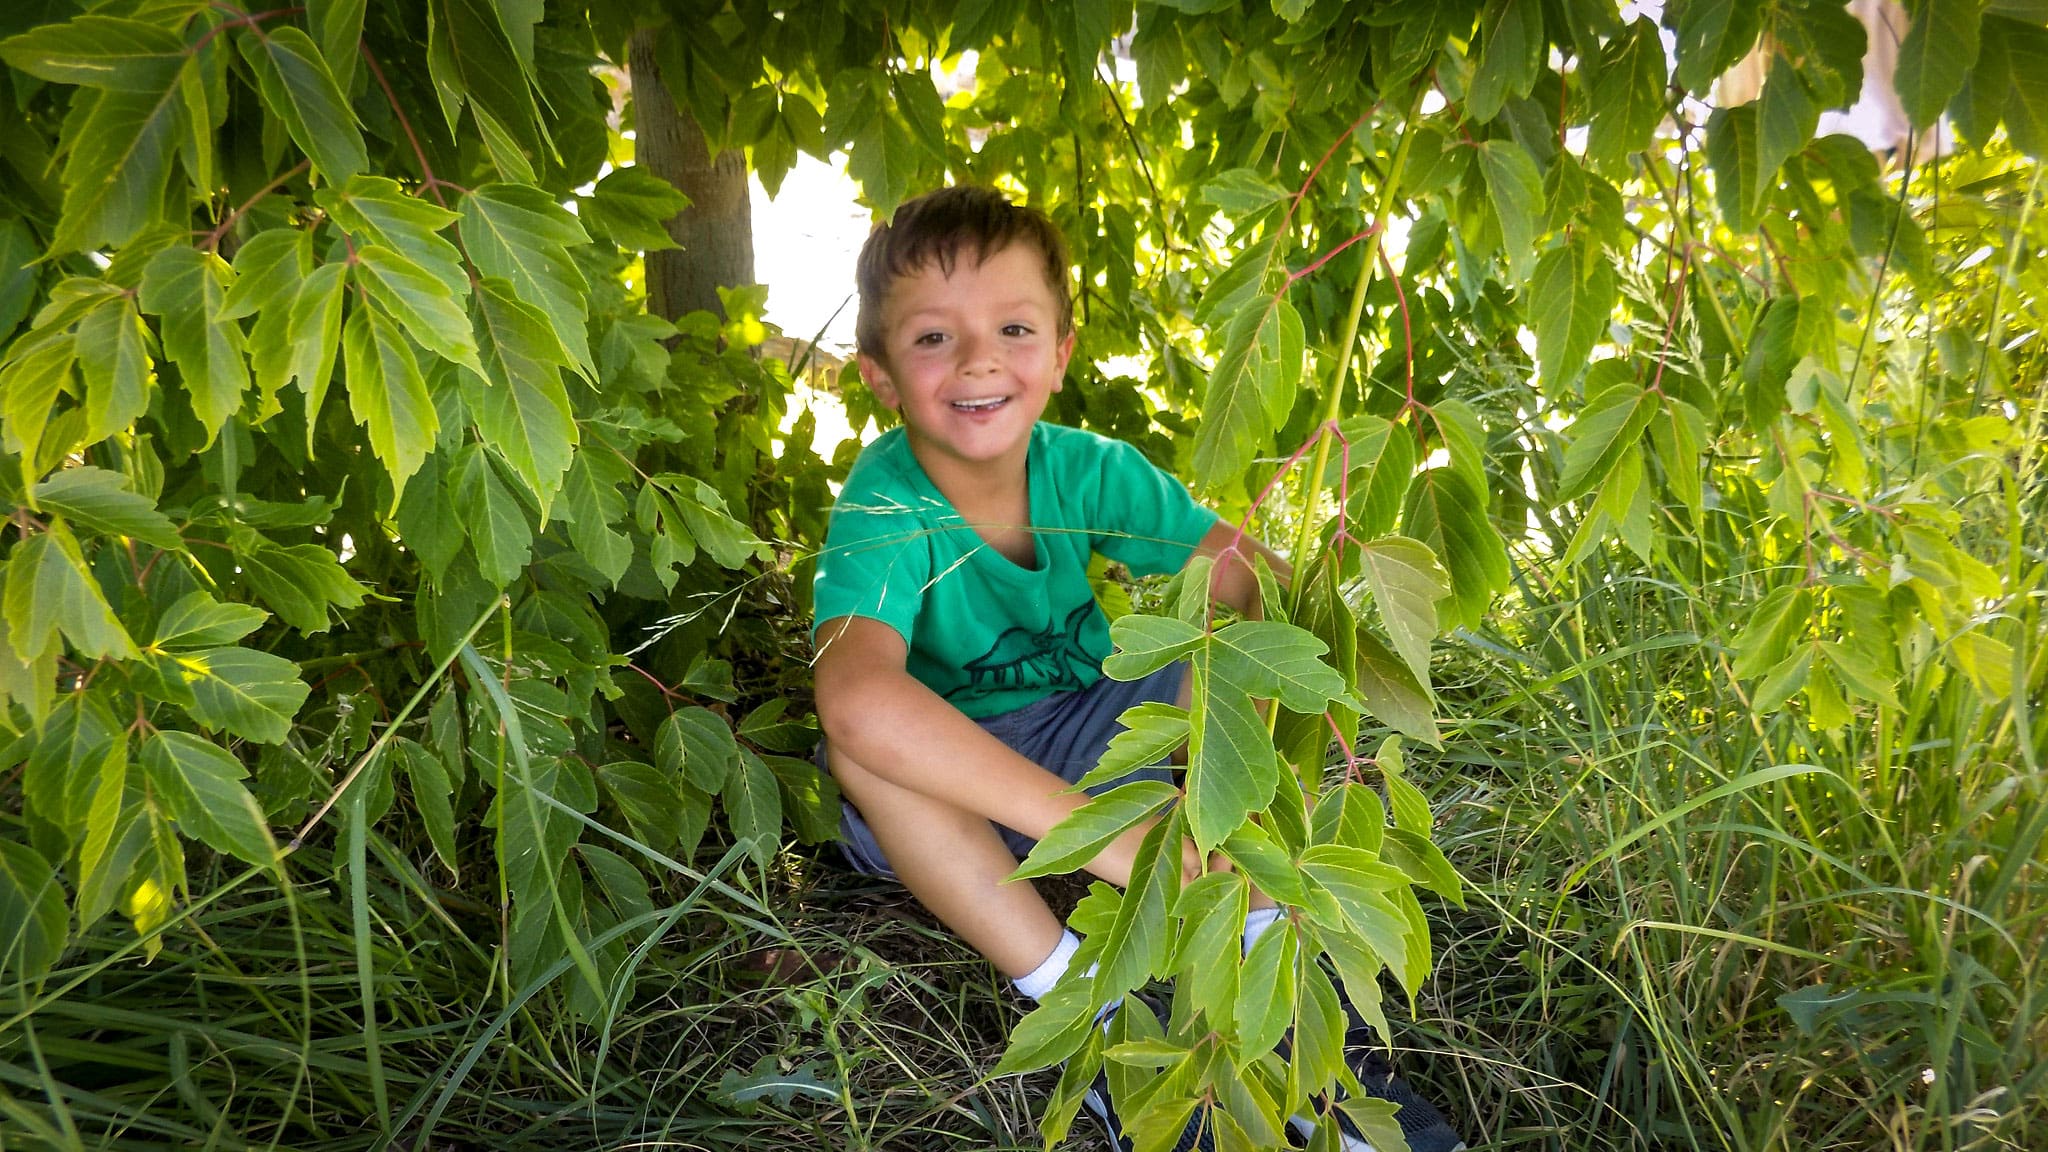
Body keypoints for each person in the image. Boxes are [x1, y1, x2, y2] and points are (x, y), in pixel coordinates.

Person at [809, 185, 1461, 1152]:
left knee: (1241, 649)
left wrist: (1213, 778)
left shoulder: (1092, 472)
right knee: (858, 749)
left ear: (1062, 354)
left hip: (1088, 728)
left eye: (1014, 327)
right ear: (879, 375)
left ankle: (1272, 983)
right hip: (957, 784)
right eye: (933, 338)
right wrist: (1110, 844)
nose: (980, 358)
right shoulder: (883, 502)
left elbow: (1253, 582)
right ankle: (1086, 1005)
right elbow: (860, 696)